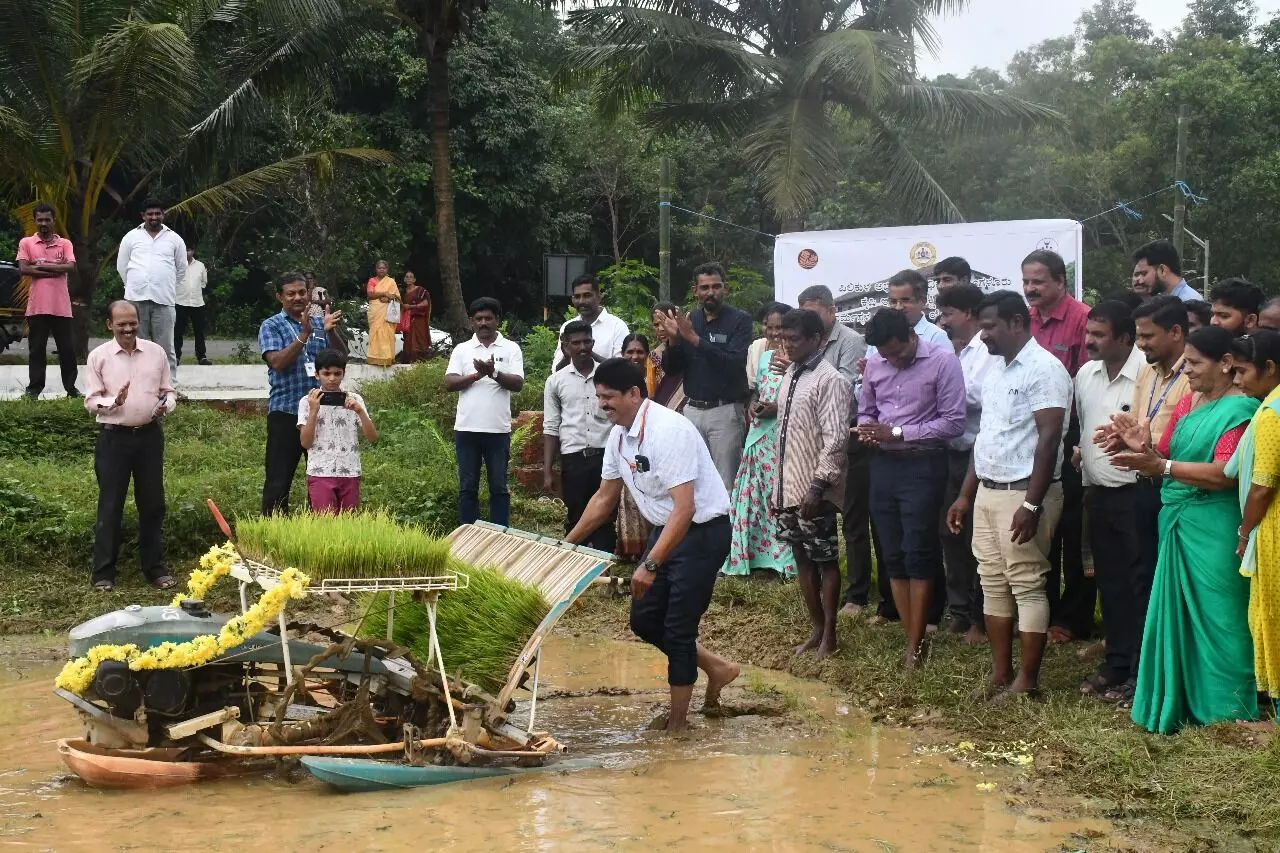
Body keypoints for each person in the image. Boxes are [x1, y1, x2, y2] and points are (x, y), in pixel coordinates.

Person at [564, 358, 741, 731]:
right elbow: (603, 500)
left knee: (678, 629)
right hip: (670, 529)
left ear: (634, 393)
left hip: (702, 532)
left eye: (609, 397)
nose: (603, 405)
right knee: (644, 620)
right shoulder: (618, 436)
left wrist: (650, 564)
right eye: (599, 398)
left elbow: (685, 507)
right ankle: (717, 667)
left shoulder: (667, 431)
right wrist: (567, 545)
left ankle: (677, 724)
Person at [1108, 326, 1258, 733]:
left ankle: (1229, 713)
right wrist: (1139, 445)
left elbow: (1226, 475)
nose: (1185, 370)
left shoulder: (1241, 411)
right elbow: (1166, 454)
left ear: (1226, 364)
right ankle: (1182, 701)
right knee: (1180, 615)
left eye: (1194, 363)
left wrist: (1164, 468)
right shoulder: (1191, 402)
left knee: (1222, 618)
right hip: (1178, 518)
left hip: (1214, 524)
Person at [946, 292, 1071, 703]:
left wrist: (1032, 505)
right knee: (993, 581)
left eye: (990, 327)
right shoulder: (997, 372)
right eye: (981, 327)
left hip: (1024, 494)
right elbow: (986, 439)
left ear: (1017, 323)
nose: (983, 337)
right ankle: (1002, 674)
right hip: (988, 490)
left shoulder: (1045, 369)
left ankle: (1028, 680)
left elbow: (1050, 438)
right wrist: (966, 495)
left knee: (1027, 584)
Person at [857, 309, 965, 668]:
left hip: (924, 465)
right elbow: (866, 410)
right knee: (892, 555)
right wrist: (869, 429)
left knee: (918, 550)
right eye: (884, 355)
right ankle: (910, 636)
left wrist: (899, 433)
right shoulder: (875, 362)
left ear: (909, 335)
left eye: (896, 353)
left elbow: (953, 422)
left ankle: (917, 644)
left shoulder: (942, 361)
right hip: (883, 465)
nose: (891, 360)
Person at [1094, 295, 1192, 652]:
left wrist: (1148, 450)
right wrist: (1119, 435)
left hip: (1179, 490)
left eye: (1148, 336)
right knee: (1132, 579)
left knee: (1161, 582)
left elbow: (1196, 438)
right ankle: (1130, 662)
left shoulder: (1195, 373)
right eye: (1138, 336)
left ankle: (1155, 667)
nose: (1141, 344)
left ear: (1177, 332)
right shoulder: (1147, 370)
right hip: (1143, 486)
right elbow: (1139, 426)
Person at [1073, 300, 1145, 704]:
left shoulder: (1145, 376)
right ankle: (1116, 663)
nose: (1089, 342)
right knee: (1111, 584)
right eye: (1088, 333)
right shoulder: (1086, 374)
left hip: (1136, 495)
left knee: (1138, 586)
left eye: (1099, 335)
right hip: (1098, 494)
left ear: (1124, 337)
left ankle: (1139, 672)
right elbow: (1085, 433)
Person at [773, 309, 853, 659]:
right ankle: (817, 627)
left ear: (816, 339)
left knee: (825, 560)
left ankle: (831, 635)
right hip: (786, 486)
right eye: (784, 338)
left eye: (794, 339)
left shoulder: (830, 379)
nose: (787, 345)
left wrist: (819, 486)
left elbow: (836, 439)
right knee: (801, 557)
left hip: (813, 489)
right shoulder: (790, 374)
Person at [1024, 249, 1093, 646]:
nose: (1031, 289)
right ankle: (1042, 611)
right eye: (1027, 281)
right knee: (1043, 525)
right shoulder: (1024, 321)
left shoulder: (1083, 320)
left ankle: (1073, 619)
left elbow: (1085, 385)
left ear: (1060, 282)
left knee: (1073, 530)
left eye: (1039, 282)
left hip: (1073, 438)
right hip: (1032, 438)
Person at [83, 301, 177, 591]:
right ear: (109, 325)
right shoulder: (99, 356)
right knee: (111, 505)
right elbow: (90, 401)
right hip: (114, 439)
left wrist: (166, 405)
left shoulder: (156, 352)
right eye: (121, 323)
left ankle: (154, 568)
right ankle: (103, 573)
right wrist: (114, 402)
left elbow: (168, 391)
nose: (128, 328)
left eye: (132, 322)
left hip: (149, 437)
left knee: (152, 504)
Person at [936, 283, 999, 644]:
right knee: (951, 533)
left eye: (948, 315)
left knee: (978, 538)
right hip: (953, 453)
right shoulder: (960, 352)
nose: (943, 322)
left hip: (979, 456)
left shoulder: (987, 351)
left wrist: (943, 391)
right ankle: (959, 611)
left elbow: (974, 397)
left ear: (969, 314)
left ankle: (980, 617)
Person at [656, 263, 753, 489]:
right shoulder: (690, 320)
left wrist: (695, 340)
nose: (711, 292)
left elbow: (733, 363)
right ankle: (698, 525)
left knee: (725, 483)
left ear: (725, 289)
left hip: (725, 412)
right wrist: (673, 340)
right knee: (693, 480)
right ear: (695, 291)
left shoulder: (739, 320)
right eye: (705, 287)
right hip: (692, 411)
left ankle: (727, 526)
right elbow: (672, 370)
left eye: (716, 286)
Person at [258, 272, 345, 515]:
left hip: (318, 415)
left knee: (322, 479)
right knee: (278, 480)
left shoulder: (320, 323)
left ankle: (319, 534)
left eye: (302, 292)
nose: (298, 297)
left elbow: (340, 359)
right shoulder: (271, 325)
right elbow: (277, 362)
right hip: (285, 413)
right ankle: (273, 535)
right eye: (291, 293)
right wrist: (303, 335)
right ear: (279, 297)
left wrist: (331, 332)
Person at [1227, 330, 1280, 707]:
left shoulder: (1271, 414)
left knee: (1271, 616)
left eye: (1243, 371)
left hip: (1274, 529)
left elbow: (1261, 487)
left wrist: (1245, 533)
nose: (1238, 380)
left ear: (1270, 368)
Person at [723, 303, 794, 578]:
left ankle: (783, 560)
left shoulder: (803, 358)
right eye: (770, 326)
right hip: (758, 434)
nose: (775, 332)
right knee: (753, 495)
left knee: (779, 497)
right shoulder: (763, 357)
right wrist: (753, 406)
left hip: (784, 436)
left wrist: (779, 407)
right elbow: (757, 392)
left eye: (780, 327)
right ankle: (752, 556)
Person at [446, 297, 525, 526]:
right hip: (467, 429)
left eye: (488, 318)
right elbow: (449, 383)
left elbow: (518, 384)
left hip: (497, 430)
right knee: (467, 487)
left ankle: (499, 535)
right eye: (478, 318)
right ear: (471, 321)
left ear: (497, 320)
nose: (483, 323)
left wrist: (494, 373)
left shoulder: (511, 348)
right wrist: (476, 375)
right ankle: (468, 534)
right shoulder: (462, 349)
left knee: (499, 486)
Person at [543, 320, 616, 553]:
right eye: (576, 343)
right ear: (566, 346)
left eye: (587, 341)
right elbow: (551, 425)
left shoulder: (608, 376)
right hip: (573, 457)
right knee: (575, 513)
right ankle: (575, 566)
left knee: (605, 517)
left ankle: (605, 570)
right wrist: (547, 470)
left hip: (606, 456)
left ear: (593, 343)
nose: (582, 347)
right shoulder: (556, 381)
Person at [298, 349, 377, 513]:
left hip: (350, 471)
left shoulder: (354, 399)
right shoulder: (307, 401)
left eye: (337, 373)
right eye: (326, 373)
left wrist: (360, 411)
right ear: (317, 374)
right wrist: (313, 411)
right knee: (325, 525)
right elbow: (305, 443)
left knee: (348, 525)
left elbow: (372, 437)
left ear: (343, 373)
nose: (332, 379)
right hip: (320, 472)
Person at [117, 199, 186, 375]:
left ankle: (170, 387)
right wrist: (134, 285)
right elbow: (122, 266)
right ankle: (139, 383)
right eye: (150, 214)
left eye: (158, 213)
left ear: (163, 215)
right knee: (136, 345)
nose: (154, 217)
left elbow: (181, 269)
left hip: (164, 299)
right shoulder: (131, 237)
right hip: (136, 300)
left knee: (165, 347)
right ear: (143, 216)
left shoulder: (174, 239)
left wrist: (165, 285)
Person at [17, 203, 79, 398]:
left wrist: (39, 267)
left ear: (54, 220)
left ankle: (71, 389)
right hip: (37, 307)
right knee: (37, 350)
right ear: (35, 220)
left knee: (67, 350)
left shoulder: (65, 244)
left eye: (47, 219)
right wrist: (54, 267)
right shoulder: (26, 243)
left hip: (61, 307)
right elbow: (24, 269)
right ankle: (34, 390)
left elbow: (70, 267)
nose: (44, 223)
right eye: (40, 220)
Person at [616, 334, 655, 558]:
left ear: (647, 354)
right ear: (623, 355)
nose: (635, 356)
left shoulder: (657, 377)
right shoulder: (618, 381)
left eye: (640, 352)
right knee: (629, 492)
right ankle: (633, 550)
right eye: (630, 352)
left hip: (654, 442)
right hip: (628, 442)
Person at [553, 274, 629, 372]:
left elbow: (622, 369)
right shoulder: (567, 327)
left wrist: (589, 352)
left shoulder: (617, 326)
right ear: (572, 299)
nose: (581, 301)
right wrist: (567, 357)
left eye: (587, 295)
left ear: (599, 296)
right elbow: (556, 372)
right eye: (577, 296)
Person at [174, 247, 210, 367]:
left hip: (197, 303)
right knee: (177, 331)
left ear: (193, 251)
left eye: (189, 250)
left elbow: (204, 282)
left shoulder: (200, 265)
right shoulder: (176, 265)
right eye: (184, 250)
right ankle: (176, 357)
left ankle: (202, 356)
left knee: (199, 331)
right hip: (180, 302)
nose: (187, 253)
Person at [1132, 240, 1200, 301]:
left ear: (1162, 270)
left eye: (1144, 274)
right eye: (1136, 275)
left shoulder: (1188, 303)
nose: (1139, 280)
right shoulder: (1164, 301)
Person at [650, 303, 687, 412]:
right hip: (662, 412)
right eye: (656, 325)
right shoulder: (654, 356)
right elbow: (651, 391)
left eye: (665, 322)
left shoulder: (690, 348)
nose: (661, 329)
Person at [365, 260, 400, 367]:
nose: (381, 270)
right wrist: (384, 293)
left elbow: (397, 297)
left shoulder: (391, 282)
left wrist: (388, 299)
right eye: (379, 268)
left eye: (383, 268)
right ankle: (374, 358)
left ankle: (387, 358)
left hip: (387, 313)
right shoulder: (372, 281)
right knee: (375, 332)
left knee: (387, 333)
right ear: (376, 269)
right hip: (375, 312)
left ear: (387, 270)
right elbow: (370, 294)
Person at [401, 271, 433, 361]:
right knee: (408, 340)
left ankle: (421, 360)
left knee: (420, 338)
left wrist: (411, 306)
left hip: (419, 319)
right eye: (407, 277)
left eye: (411, 277)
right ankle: (409, 360)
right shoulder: (403, 293)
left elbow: (426, 303)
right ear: (404, 279)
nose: (408, 279)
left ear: (414, 279)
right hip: (408, 320)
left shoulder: (420, 290)